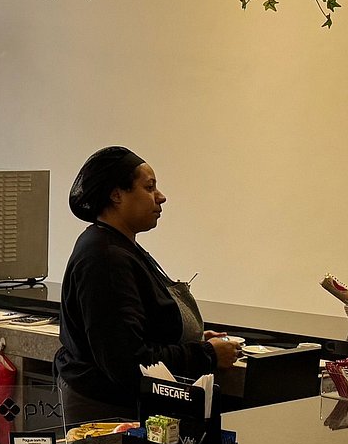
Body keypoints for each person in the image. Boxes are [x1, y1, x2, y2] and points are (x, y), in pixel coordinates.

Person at [54, 145, 241, 427]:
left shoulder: (117, 245)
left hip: (119, 400)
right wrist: (207, 355)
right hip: (107, 408)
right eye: (149, 187)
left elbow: (137, 325)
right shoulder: (106, 258)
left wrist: (187, 338)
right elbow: (128, 360)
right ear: (117, 195)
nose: (161, 197)